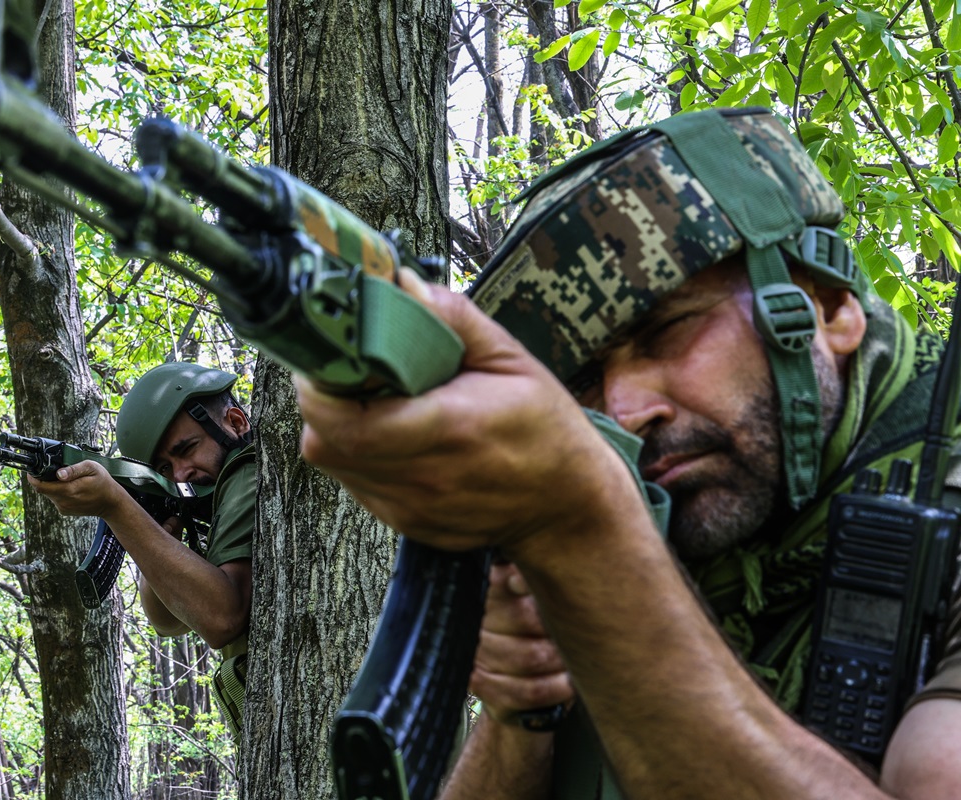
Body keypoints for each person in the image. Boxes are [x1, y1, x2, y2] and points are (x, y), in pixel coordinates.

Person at [294, 107, 961, 798]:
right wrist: (528, 705)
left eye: (666, 331)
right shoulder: (666, 519)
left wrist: (589, 541)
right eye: (581, 381)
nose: (624, 411)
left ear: (826, 309)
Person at [29, 362, 255, 738]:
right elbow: (168, 620)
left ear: (235, 422)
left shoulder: (243, 470)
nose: (180, 474)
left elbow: (220, 619)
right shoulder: (211, 499)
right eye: (164, 468)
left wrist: (117, 508)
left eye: (187, 450)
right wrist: (157, 527)